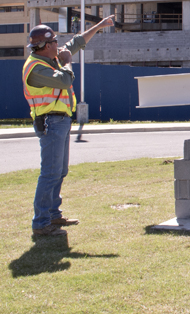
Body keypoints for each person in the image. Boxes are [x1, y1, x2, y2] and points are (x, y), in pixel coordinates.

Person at [23, 16, 115, 236]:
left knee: (60, 171)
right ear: (45, 46)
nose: (58, 44)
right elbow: (65, 80)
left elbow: (76, 42)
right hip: (50, 122)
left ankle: (53, 215)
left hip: (60, 121)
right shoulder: (36, 68)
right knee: (50, 173)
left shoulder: (49, 58)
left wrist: (100, 26)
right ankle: (41, 223)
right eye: (54, 41)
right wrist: (66, 61)